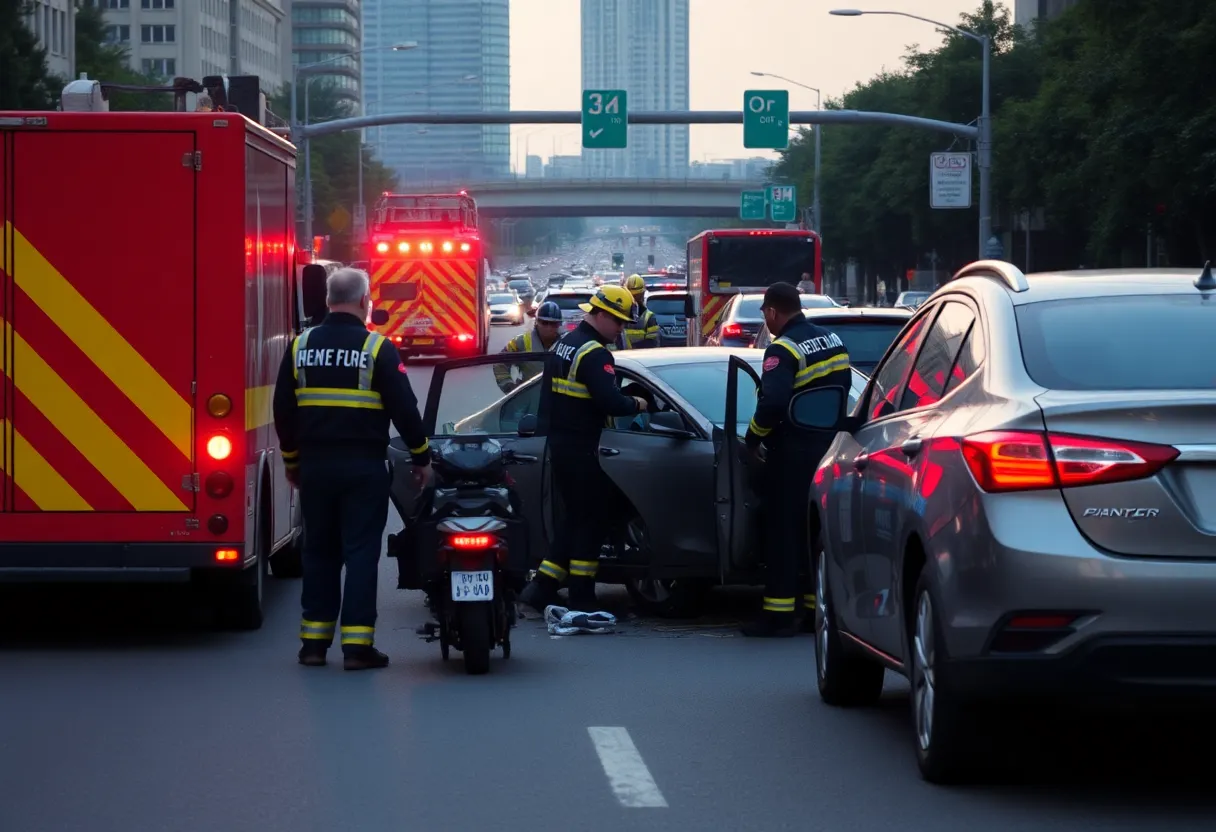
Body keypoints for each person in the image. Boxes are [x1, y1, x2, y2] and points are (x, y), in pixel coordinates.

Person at [273, 267, 433, 670]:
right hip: (362, 468)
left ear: (328, 301)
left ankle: (313, 645)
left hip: (316, 468)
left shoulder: (299, 346)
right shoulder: (377, 349)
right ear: (364, 303)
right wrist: (421, 456)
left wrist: (293, 463)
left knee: (319, 552)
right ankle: (357, 648)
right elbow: (405, 409)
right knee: (361, 553)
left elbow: (284, 412)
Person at [517, 285, 647, 613]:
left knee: (576, 519)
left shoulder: (565, 344)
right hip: (583, 449)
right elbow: (610, 402)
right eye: (618, 322)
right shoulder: (594, 353)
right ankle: (582, 595)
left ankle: (542, 587)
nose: (621, 330)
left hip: (561, 444)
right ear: (600, 315)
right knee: (591, 521)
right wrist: (639, 402)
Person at [742, 282, 851, 638]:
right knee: (812, 532)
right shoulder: (832, 341)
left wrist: (754, 437)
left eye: (765, 314)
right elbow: (844, 387)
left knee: (782, 533)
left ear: (773, 311)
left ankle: (777, 615)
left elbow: (772, 404)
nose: (766, 320)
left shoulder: (782, 350)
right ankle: (811, 610)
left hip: (792, 452)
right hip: (831, 448)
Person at [493, 300, 562, 393]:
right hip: (530, 398)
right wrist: (509, 386)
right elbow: (499, 362)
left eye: (553, 324)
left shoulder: (567, 342)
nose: (549, 328)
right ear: (537, 322)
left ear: (559, 324)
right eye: (544, 323)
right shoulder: (521, 341)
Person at [621, 274, 660, 349]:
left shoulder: (649, 317)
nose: (633, 299)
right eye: (631, 295)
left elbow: (653, 343)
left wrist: (632, 347)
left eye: (636, 296)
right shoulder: (619, 315)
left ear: (642, 294)